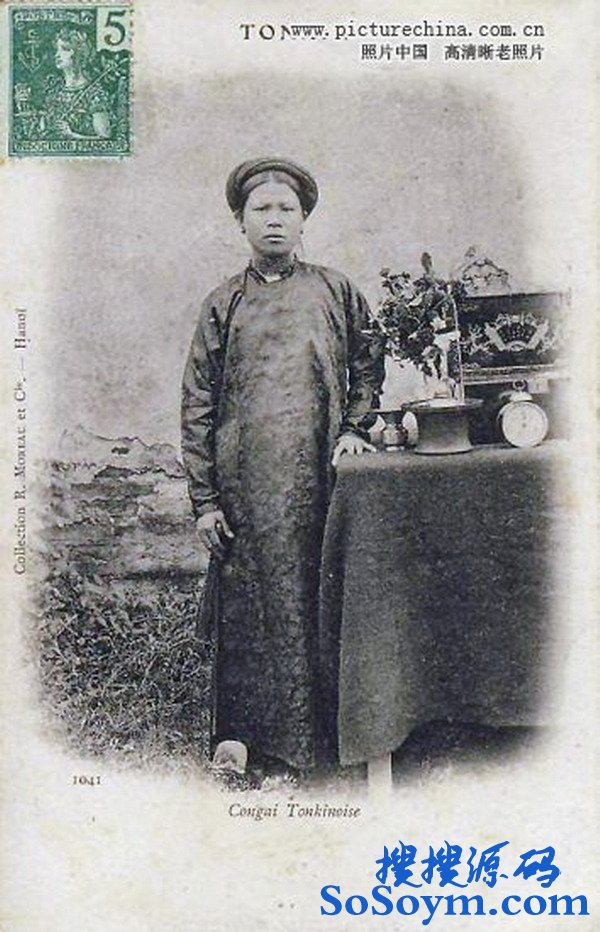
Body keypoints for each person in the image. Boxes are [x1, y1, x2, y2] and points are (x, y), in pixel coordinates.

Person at [181, 157, 383, 778]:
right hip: (247, 492)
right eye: (261, 209)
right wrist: (205, 501)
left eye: (286, 209)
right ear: (240, 222)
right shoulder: (224, 304)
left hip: (321, 482)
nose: (274, 220)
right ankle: (245, 743)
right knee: (253, 611)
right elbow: (197, 403)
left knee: (319, 604)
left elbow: (368, 361)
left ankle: (329, 743)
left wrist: (354, 428)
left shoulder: (336, 291)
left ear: (303, 220)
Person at [41, 28, 111, 139]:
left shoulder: (94, 94)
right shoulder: (54, 90)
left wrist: (72, 135)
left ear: (79, 53)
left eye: (65, 49)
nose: (57, 55)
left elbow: (105, 138)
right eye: (57, 50)